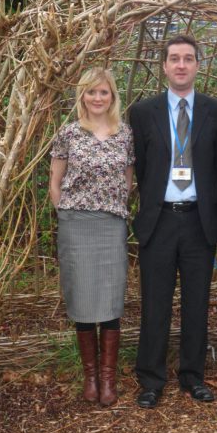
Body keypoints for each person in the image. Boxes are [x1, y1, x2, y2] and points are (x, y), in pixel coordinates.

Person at [130, 35, 217, 409]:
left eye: (188, 58)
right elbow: (142, 167)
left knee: (197, 302)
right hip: (159, 220)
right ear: (164, 66)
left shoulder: (216, 112)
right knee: (154, 303)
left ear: (198, 65)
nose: (181, 65)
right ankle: (151, 380)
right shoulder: (143, 112)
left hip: (198, 221)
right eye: (174, 58)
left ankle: (193, 377)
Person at [49, 67, 134, 406]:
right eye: (91, 92)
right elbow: (55, 183)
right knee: (82, 298)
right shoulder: (69, 133)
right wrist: (66, 214)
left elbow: (127, 182)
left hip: (111, 223)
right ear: (82, 95)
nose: (98, 98)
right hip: (76, 224)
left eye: (104, 92)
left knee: (111, 298)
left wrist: (110, 205)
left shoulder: (125, 134)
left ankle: (109, 378)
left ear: (112, 97)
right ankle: (91, 378)